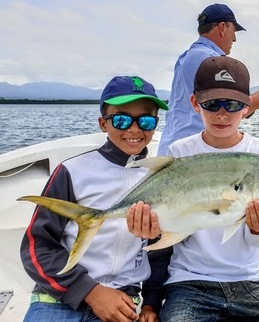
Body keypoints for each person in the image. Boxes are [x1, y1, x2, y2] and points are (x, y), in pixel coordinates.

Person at [132, 56, 259, 322]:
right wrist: (150, 231)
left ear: (247, 106)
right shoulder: (181, 152)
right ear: (195, 103)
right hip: (189, 281)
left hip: (249, 278)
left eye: (233, 104)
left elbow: (256, 242)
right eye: (212, 104)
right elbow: (173, 223)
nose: (223, 113)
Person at [20, 75, 168, 322]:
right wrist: (89, 290)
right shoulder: (72, 171)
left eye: (145, 120)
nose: (134, 129)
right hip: (56, 299)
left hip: (122, 304)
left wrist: (151, 303)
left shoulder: (163, 177)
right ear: (103, 123)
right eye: (121, 120)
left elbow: (161, 252)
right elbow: (37, 246)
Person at [158, 2, 259, 155]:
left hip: (169, 147)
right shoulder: (211, 61)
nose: (234, 39)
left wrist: (256, 104)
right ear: (222, 27)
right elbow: (228, 107)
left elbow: (220, 106)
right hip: (194, 153)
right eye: (234, 30)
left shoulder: (186, 57)